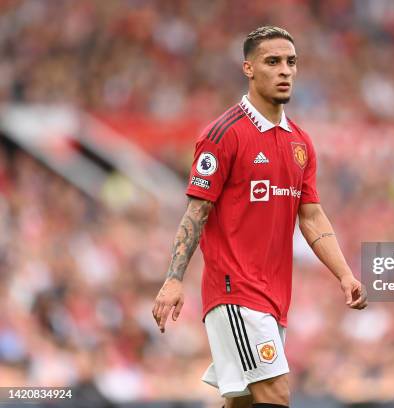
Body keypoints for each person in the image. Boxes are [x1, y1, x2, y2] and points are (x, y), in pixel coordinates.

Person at [152, 26, 367, 408]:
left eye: (291, 62)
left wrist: (345, 273)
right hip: (235, 292)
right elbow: (196, 211)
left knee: (245, 402)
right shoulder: (223, 134)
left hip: (275, 297)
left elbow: (312, 217)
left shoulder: (300, 142)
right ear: (248, 68)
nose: (285, 70)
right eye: (273, 62)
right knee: (276, 394)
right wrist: (173, 279)